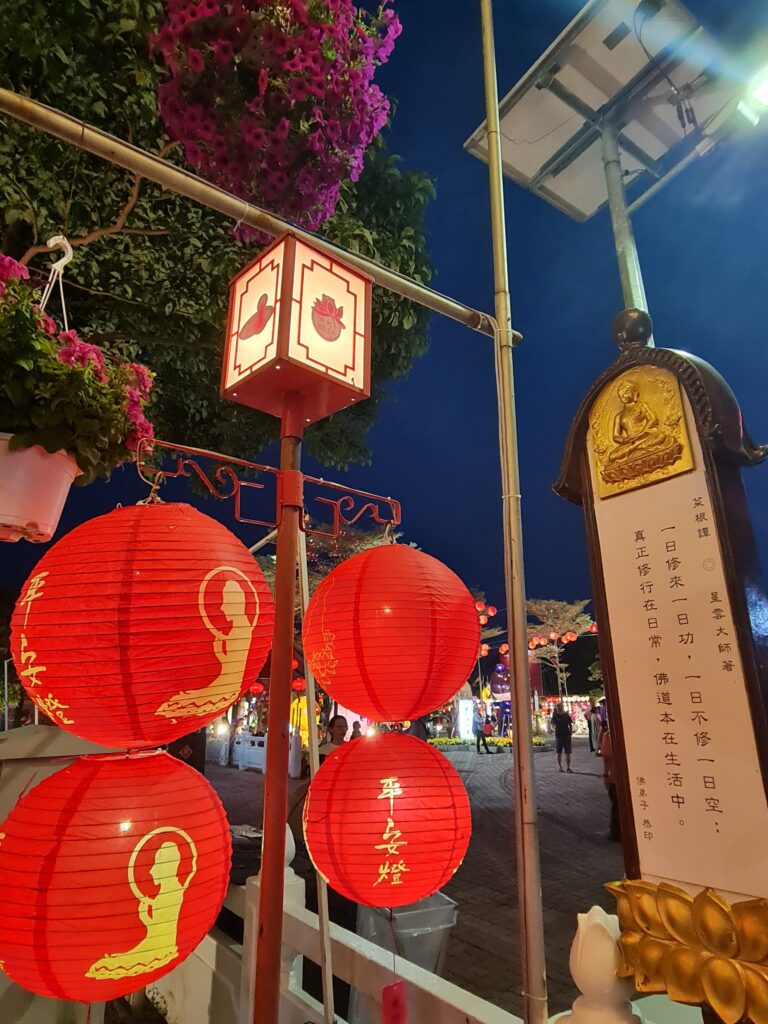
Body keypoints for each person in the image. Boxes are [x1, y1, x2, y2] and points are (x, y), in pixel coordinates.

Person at [600, 723, 621, 841]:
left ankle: (616, 833)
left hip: (615, 778)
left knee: (616, 807)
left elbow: (606, 759)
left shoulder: (608, 736)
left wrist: (605, 774)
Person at [551, 701, 573, 773]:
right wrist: (554, 729)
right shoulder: (555, 716)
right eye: (557, 706)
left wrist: (571, 732)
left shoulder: (566, 715)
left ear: (562, 707)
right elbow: (552, 725)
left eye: (559, 706)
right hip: (559, 736)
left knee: (568, 752)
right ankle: (560, 767)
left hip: (566, 736)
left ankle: (568, 767)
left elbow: (570, 724)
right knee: (558, 752)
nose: (558, 707)